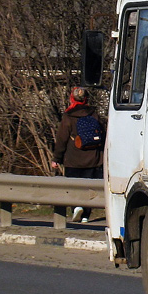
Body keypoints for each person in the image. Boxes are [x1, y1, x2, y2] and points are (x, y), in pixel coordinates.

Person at [51, 86, 104, 223]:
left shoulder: (69, 116)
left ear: (72, 98)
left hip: (73, 159)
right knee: (88, 187)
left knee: (73, 186)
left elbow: (62, 139)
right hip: (93, 159)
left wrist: (56, 158)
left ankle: (76, 207)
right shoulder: (94, 114)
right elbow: (102, 134)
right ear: (86, 98)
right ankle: (86, 215)